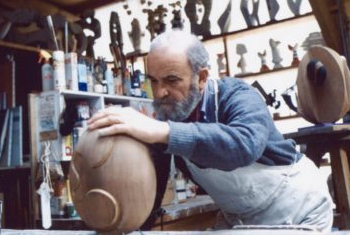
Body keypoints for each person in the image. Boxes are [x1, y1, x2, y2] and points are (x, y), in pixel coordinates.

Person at [87, 29, 334, 232]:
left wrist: (162, 131)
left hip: (299, 210)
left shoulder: (236, 95)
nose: (160, 92)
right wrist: (136, 228)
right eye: (153, 80)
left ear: (202, 77)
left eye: (172, 80)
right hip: (242, 220)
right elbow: (153, 186)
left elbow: (244, 145)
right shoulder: (169, 117)